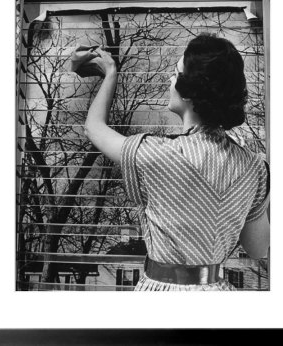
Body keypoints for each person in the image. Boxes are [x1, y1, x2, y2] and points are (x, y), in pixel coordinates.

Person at [77, 33, 270, 291]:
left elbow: (94, 128)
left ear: (190, 91)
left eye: (176, 73)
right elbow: (258, 248)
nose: (170, 79)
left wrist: (110, 73)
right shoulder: (256, 167)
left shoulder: (156, 154)